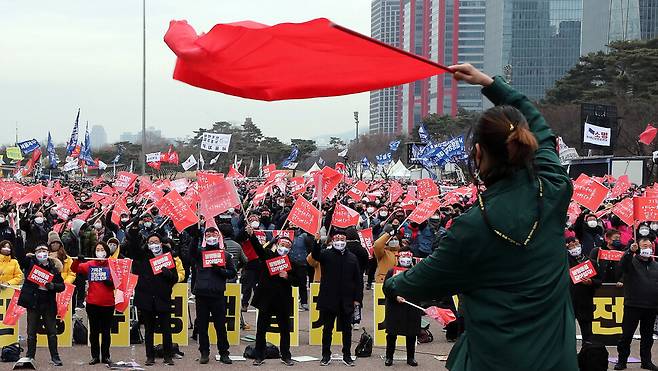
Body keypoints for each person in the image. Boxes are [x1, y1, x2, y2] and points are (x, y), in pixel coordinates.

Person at [384, 64, 578, 370]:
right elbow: (541, 127)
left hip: (491, 360)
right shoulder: (554, 190)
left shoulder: (471, 228)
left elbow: (416, 283)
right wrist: (492, 84)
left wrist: (394, 284)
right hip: (556, 361)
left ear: (477, 153)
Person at [246, 227, 298, 366]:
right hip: (266, 299)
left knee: (285, 330)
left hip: (283, 300)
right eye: (282, 244)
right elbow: (258, 248)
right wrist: (252, 236)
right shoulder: (268, 255)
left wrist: (287, 276)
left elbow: (298, 281)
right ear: (277, 244)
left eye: (288, 246)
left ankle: (286, 355)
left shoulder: (292, 262)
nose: (284, 247)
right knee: (261, 329)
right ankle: (259, 355)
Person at [312, 231, 364, 367]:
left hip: (347, 300)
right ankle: (325, 355)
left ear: (346, 241)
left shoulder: (352, 257)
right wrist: (316, 242)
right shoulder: (326, 254)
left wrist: (358, 298)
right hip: (329, 299)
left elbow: (358, 280)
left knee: (347, 330)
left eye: (342, 238)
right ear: (332, 240)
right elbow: (315, 255)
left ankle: (347, 355)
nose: (339, 241)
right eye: (337, 238)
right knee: (327, 329)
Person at [132, 233, 181, 366]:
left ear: (161, 243)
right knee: (148, 329)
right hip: (147, 299)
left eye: (156, 241)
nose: (154, 244)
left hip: (162, 298)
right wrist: (134, 229)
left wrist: (168, 274)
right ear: (147, 244)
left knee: (166, 329)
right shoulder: (143, 257)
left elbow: (175, 278)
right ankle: (150, 356)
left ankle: (168, 356)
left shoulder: (168, 257)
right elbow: (133, 247)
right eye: (151, 242)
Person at [189, 226, 236, 365]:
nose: (211, 236)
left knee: (220, 325)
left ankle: (224, 353)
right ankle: (204, 352)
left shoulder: (225, 255)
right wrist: (195, 237)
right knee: (202, 326)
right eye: (208, 234)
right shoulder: (200, 253)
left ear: (218, 236)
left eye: (213, 234)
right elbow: (191, 253)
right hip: (202, 294)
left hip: (217, 295)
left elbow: (232, 272)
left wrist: (220, 271)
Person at [614, 237, 658, 370]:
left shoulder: (655, 265)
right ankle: (622, 361)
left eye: (649, 246)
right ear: (637, 247)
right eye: (644, 246)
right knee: (626, 335)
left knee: (647, 337)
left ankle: (646, 361)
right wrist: (629, 252)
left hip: (651, 306)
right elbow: (620, 268)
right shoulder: (631, 262)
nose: (647, 248)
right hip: (633, 304)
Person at [17, 244, 65, 366]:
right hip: (34, 302)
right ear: (35, 253)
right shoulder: (30, 264)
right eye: (39, 251)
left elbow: (62, 286)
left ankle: (55, 357)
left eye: (44, 250)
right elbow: (21, 257)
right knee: (31, 332)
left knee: (52, 332)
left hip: (48, 303)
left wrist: (53, 286)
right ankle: (30, 355)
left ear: (48, 253)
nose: (42, 253)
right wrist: (18, 240)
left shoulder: (54, 267)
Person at [71, 242, 115, 365]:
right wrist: (77, 261)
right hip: (92, 303)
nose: (100, 251)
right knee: (94, 332)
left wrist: (110, 283)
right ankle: (95, 356)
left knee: (106, 332)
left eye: (102, 249)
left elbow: (118, 281)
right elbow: (75, 269)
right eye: (98, 249)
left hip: (108, 304)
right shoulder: (90, 264)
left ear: (106, 251)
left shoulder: (112, 264)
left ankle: (106, 356)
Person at [383, 250, 421, 367]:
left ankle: (411, 357)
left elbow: (422, 287)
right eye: (403, 256)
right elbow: (385, 288)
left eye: (408, 256)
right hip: (395, 307)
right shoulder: (392, 271)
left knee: (411, 334)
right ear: (398, 257)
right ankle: (389, 357)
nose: (406, 259)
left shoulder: (417, 272)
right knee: (392, 334)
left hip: (411, 306)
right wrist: (395, 297)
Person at [566, 237, 599, 344]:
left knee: (587, 333)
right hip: (569, 302)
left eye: (576, 244)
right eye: (571, 245)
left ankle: (588, 354)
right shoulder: (564, 262)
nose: (575, 247)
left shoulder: (591, 262)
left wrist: (591, 282)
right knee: (568, 332)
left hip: (585, 301)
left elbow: (599, 281)